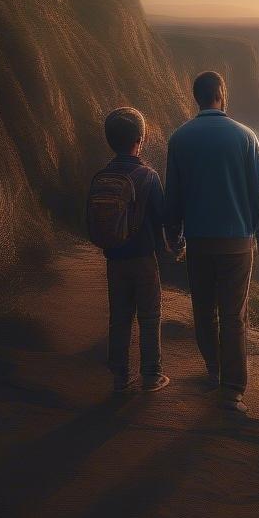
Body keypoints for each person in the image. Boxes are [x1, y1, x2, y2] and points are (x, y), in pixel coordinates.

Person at [165, 71, 259, 413]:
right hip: (237, 242)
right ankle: (233, 391)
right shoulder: (246, 137)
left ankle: (214, 369)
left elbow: (174, 195)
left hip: (198, 241)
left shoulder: (179, 138)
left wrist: (174, 235)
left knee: (204, 312)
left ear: (196, 97)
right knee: (233, 316)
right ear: (221, 94)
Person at [95, 107, 181, 393]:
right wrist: (173, 244)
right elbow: (162, 218)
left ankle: (120, 376)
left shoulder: (103, 176)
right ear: (140, 140)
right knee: (149, 315)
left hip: (114, 258)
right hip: (143, 259)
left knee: (119, 317)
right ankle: (151, 374)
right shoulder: (148, 176)